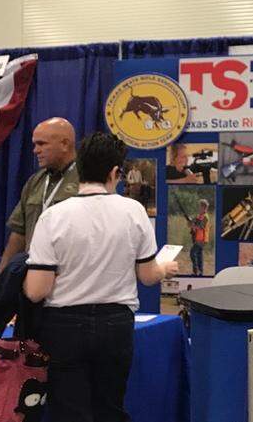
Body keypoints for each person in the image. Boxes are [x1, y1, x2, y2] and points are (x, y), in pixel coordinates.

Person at [24, 132, 179, 421]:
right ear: (115, 172)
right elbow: (147, 276)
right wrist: (165, 268)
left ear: (80, 168)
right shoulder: (133, 211)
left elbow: (36, 290)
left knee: (68, 411)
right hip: (115, 324)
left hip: (63, 326)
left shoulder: (53, 216)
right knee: (110, 407)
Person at [0, 118, 80, 285]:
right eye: (34, 144)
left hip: (69, 279)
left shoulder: (87, 180)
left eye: (41, 144)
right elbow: (18, 234)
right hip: (32, 277)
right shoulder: (35, 181)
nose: (35, 150)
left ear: (65, 144)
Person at [186, 199, 210, 276]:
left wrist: (193, 225)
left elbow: (201, 226)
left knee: (192, 253)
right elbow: (191, 224)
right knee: (199, 255)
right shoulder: (199, 216)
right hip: (197, 238)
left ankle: (195, 271)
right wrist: (189, 221)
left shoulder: (205, 217)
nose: (198, 208)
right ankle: (200, 272)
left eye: (200, 207)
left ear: (204, 208)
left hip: (202, 239)